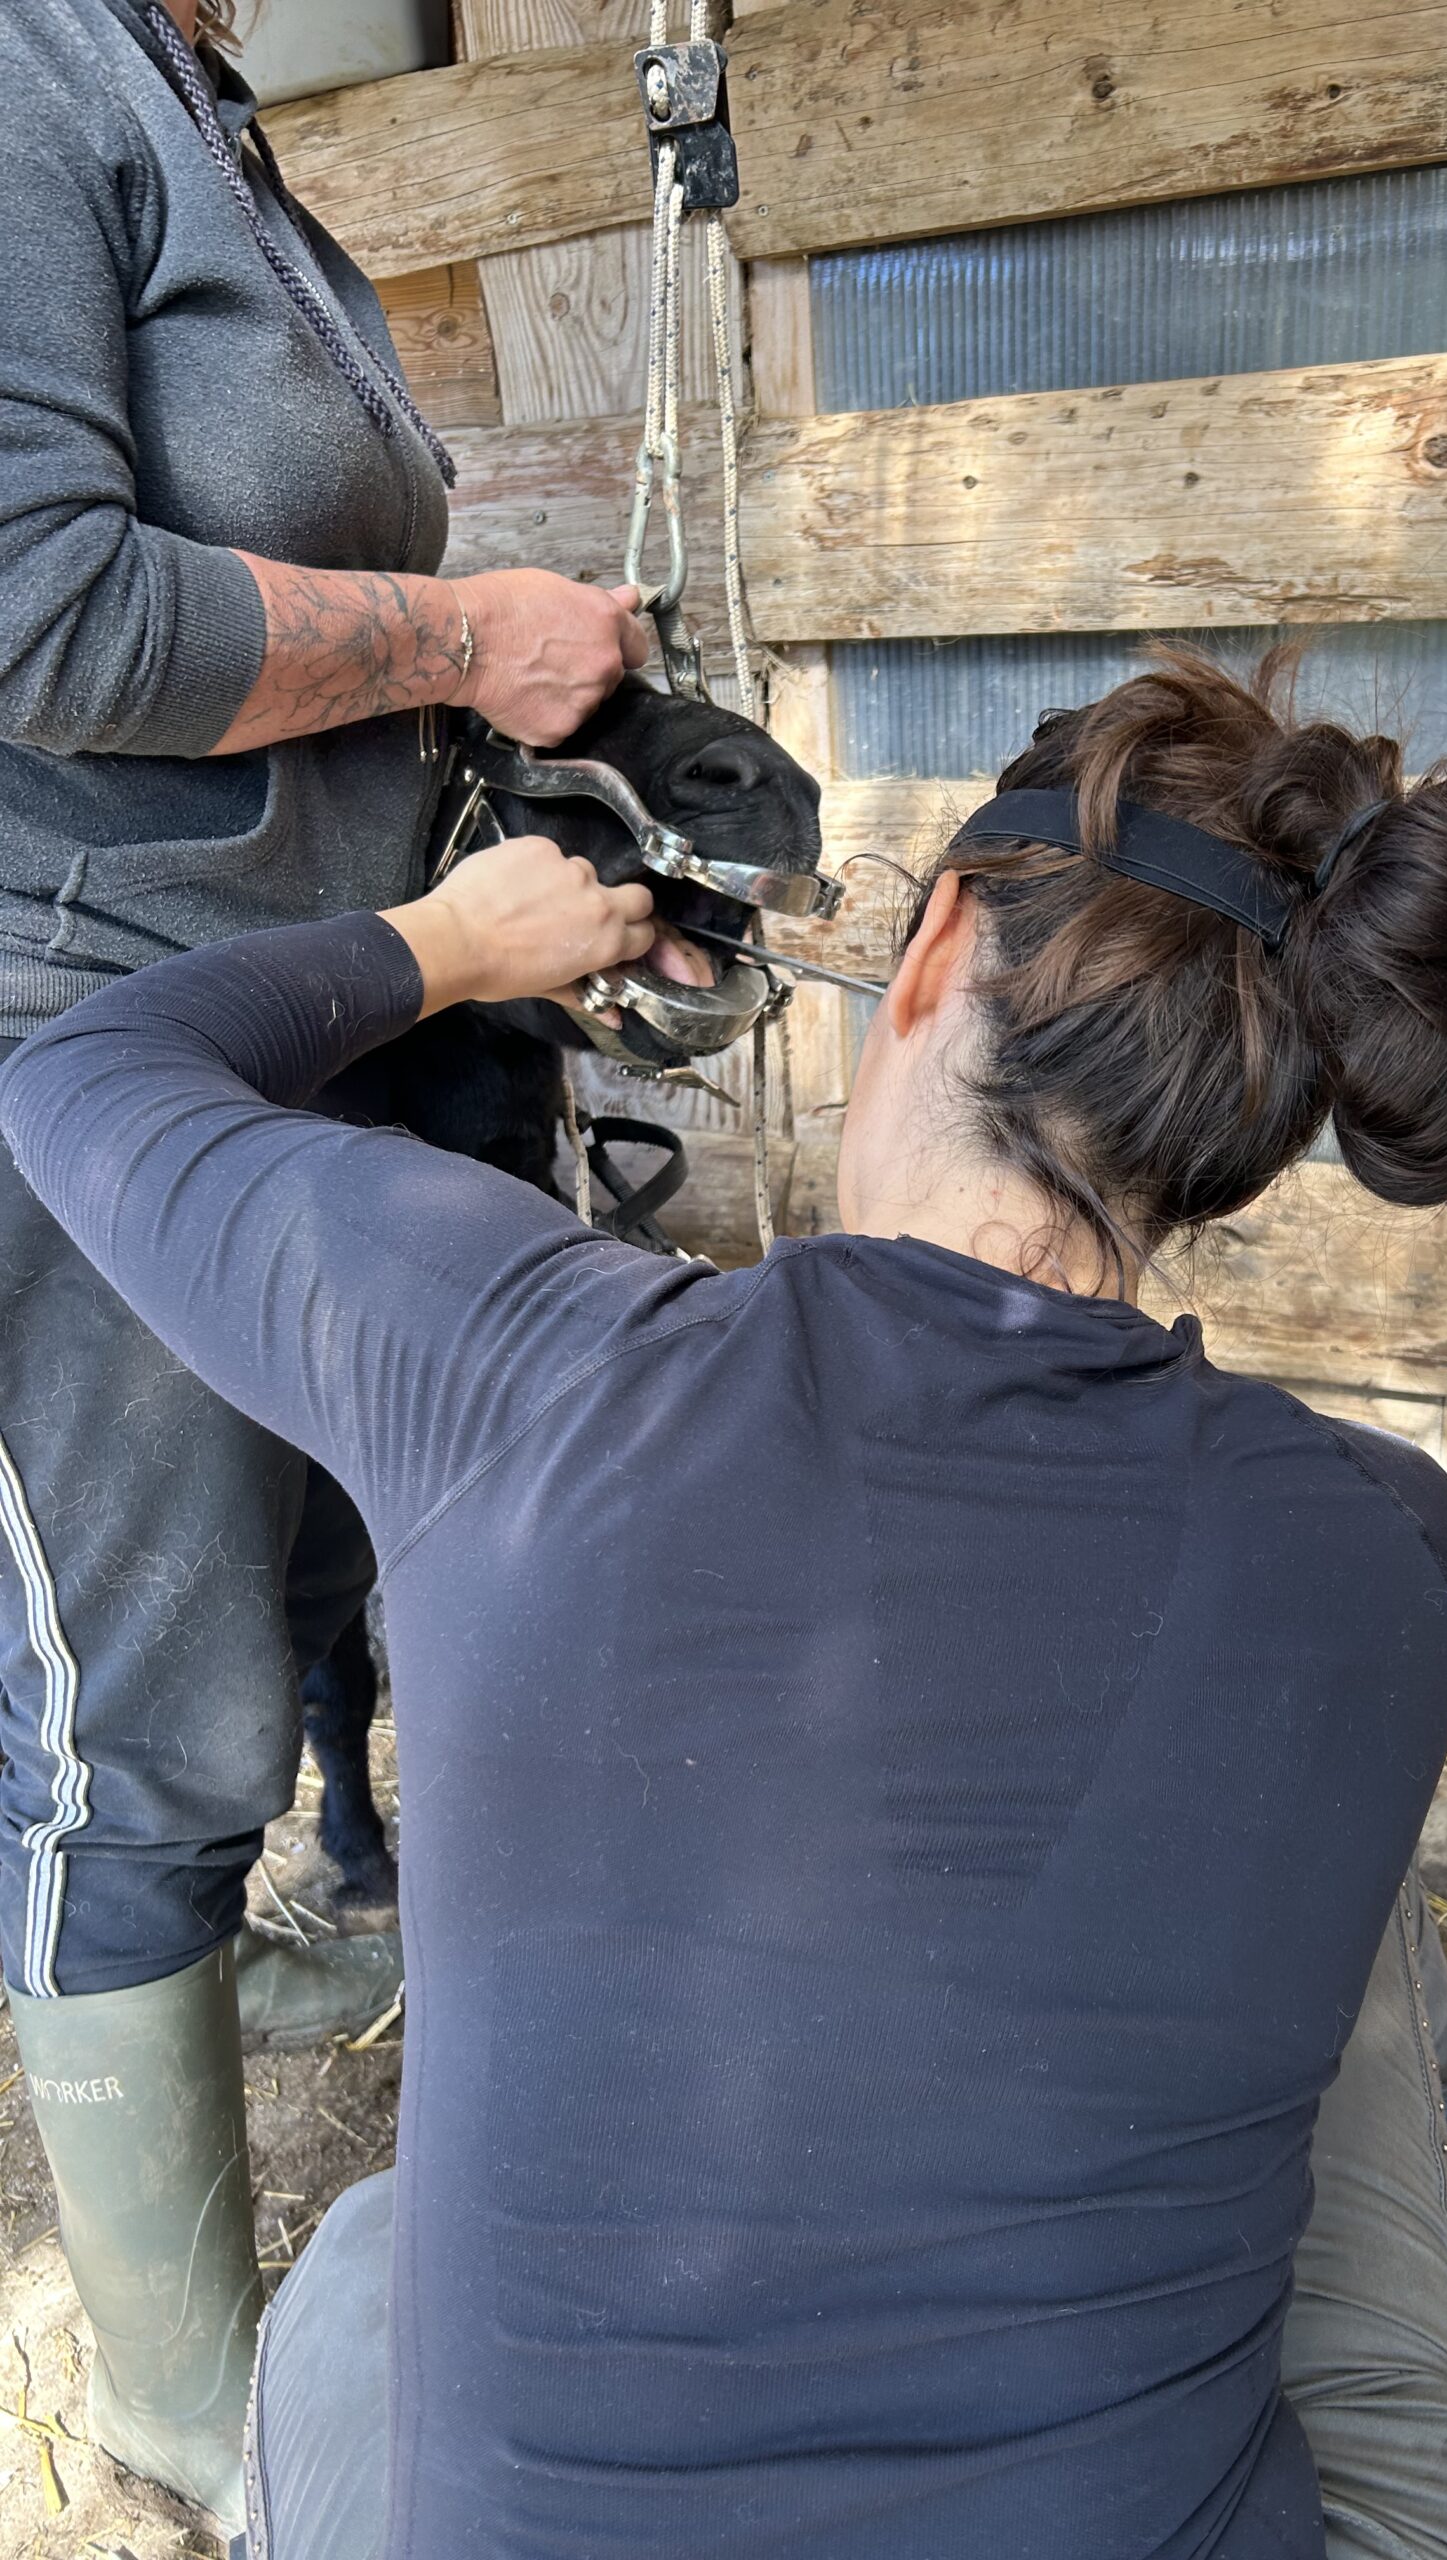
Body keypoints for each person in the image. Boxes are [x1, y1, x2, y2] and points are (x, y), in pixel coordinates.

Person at [1, 649, 1447, 2558]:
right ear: (1258, 1116)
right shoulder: (1393, 1549)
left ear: (930, 955)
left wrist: (447, 943)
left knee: (362, 2268)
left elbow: (77, 1074)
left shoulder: (524, 1369)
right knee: (1355, 1898)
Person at [0, 0, 651, 2524]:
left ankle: (222, 1944)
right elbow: (38, 611)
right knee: (133, 1683)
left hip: (310, 988)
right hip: (88, 1030)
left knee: (293, 1570)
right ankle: (177, 2402)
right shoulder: (28, 66)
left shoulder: (186, 101)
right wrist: (464, 637)